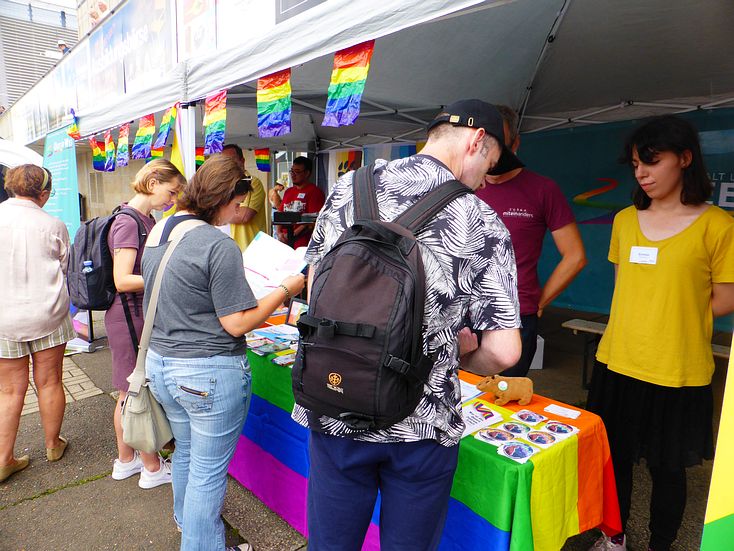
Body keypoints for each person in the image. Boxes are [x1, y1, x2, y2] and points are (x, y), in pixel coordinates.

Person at [293, 99, 522, 550]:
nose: (485, 179)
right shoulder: (482, 221)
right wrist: (461, 354)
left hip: (335, 401)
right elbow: (505, 351)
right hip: (421, 422)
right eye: (490, 164)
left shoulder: (348, 187)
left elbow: (316, 287)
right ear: (477, 141)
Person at [142, 154, 305, 551]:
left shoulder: (162, 228)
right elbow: (237, 323)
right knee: (207, 473)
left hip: (161, 363)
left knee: (186, 454)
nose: (240, 212)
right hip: (207, 371)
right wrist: (286, 289)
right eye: (237, 203)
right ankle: (201, 544)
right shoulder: (217, 243)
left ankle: (189, 527)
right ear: (222, 198)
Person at [586, 115, 734, 551]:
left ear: (685, 159)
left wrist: (673, 316)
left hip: (676, 367)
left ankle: (660, 544)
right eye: (636, 164)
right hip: (619, 359)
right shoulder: (625, 220)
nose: (642, 173)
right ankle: (614, 537)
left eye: (652, 161)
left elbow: (725, 298)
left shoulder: (718, 226)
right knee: (615, 459)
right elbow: (625, 288)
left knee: (668, 468)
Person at [475, 105, 586, 376]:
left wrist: (539, 302)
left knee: (504, 395)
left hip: (514, 317)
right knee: (457, 392)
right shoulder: (465, 186)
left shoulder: (542, 189)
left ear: (515, 143)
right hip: (463, 312)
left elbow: (575, 256)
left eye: (500, 143)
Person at [106, 159, 184, 488]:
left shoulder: (143, 219)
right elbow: (122, 279)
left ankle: (127, 461)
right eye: (171, 191)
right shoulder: (129, 222)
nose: (173, 199)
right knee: (134, 393)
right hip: (130, 317)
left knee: (128, 392)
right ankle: (151, 467)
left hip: (135, 315)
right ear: (153, 183)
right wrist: (166, 275)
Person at [0, 165, 75, 482]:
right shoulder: (53, 225)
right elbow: (66, 267)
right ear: (43, 193)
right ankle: (53, 445)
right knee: (49, 381)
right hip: (49, 314)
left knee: (8, 390)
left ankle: (3, 459)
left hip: (4, 318)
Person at [222, 144, 267, 251]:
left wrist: (215, 214)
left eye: (231, 160)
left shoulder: (251, 182)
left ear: (242, 161)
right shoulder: (222, 185)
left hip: (249, 250)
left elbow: (243, 216)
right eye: (224, 162)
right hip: (227, 249)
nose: (228, 165)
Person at [274, 156, 325, 248]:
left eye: (297, 172)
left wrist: (292, 234)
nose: (293, 175)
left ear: (307, 173)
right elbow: (280, 214)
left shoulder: (315, 192)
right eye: (292, 171)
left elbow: (313, 220)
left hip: (303, 245)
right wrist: (279, 233)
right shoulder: (288, 191)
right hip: (285, 243)